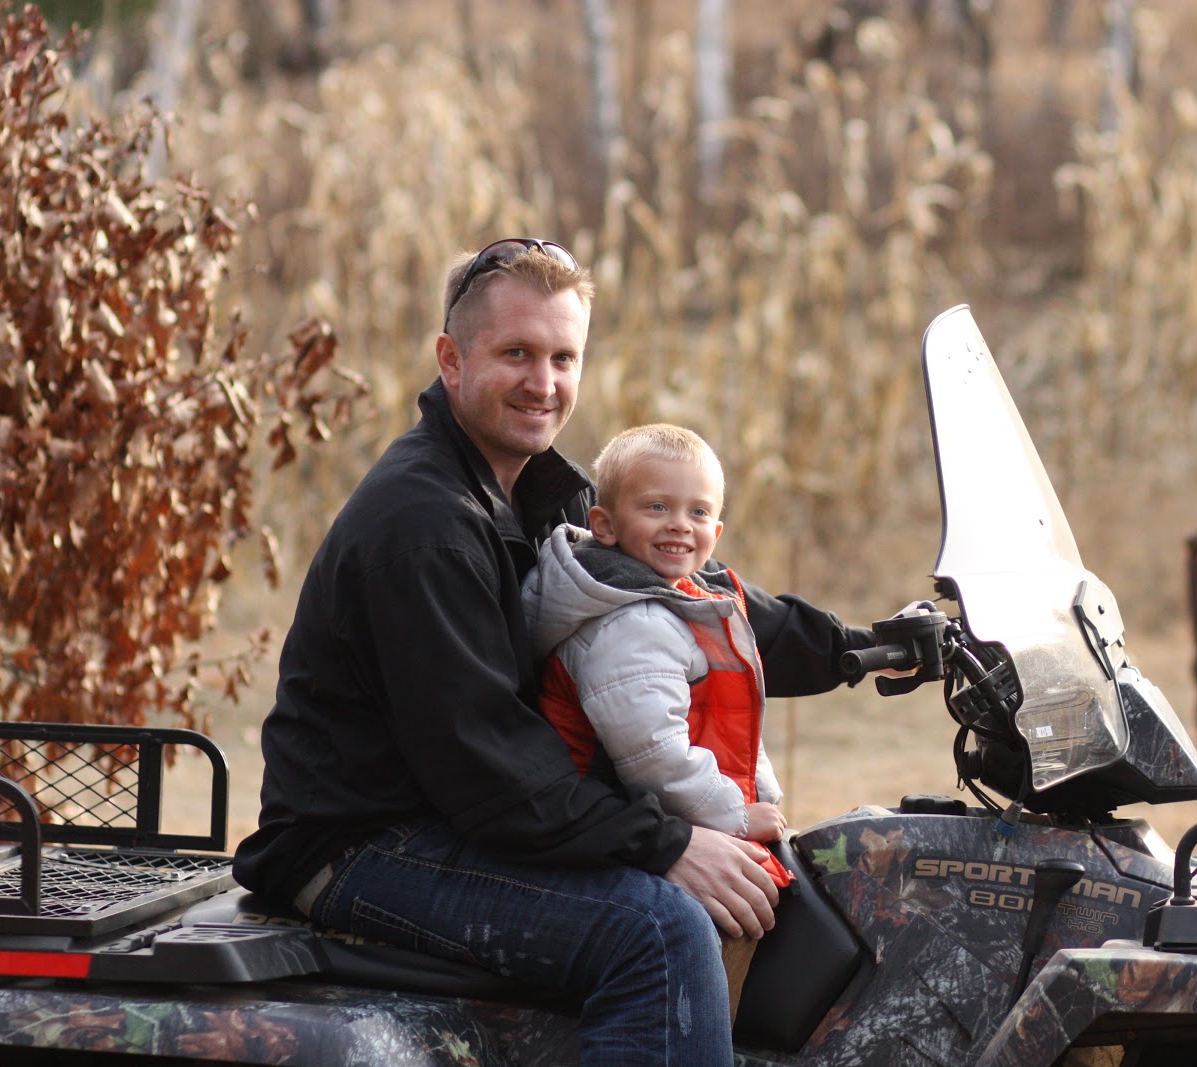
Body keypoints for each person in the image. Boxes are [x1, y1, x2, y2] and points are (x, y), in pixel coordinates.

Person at [232, 237, 875, 1065]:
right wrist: (668, 844)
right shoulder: (425, 528)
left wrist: (870, 649)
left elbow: (693, 604)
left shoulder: (543, 495)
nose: (544, 382)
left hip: (459, 815)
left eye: (562, 357)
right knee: (660, 930)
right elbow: (492, 771)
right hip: (364, 844)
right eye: (516, 353)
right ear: (452, 359)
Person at [522, 424, 795, 1018]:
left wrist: (763, 797)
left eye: (698, 512)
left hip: (661, 813)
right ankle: (694, 1033)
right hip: (613, 822)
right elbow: (654, 755)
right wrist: (734, 814)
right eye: (657, 507)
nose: (679, 525)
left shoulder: (683, 602)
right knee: (730, 921)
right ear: (604, 525)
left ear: (716, 532)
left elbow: (733, 723)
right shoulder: (629, 624)